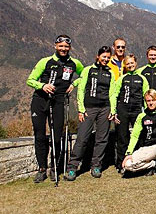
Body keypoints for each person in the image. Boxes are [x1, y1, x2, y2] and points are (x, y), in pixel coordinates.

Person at [27, 35, 84, 183]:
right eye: (61, 46)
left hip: (58, 102)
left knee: (57, 137)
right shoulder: (45, 62)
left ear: (70, 47)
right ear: (55, 46)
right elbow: (30, 80)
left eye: (66, 46)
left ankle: (55, 168)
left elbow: (84, 75)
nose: (63, 49)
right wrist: (42, 86)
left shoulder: (74, 63)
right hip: (40, 101)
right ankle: (41, 169)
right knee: (39, 135)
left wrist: (74, 83)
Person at [66, 46, 117, 181]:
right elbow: (81, 90)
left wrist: (113, 110)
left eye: (108, 57)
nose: (105, 59)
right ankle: (72, 167)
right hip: (89, 108)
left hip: (105, 109)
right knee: (82, 138)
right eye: (103, 56)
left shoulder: (110, 73)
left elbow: (112, 93)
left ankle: (96, 166)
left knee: (102, 139)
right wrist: (81, 109)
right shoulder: (88, 70)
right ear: (98, 56)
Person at [122, 89, 156, 182]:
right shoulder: (142, 116)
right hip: (148, 148)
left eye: (153, 100)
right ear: (145, 102)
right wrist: (129, 153)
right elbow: (135, 135)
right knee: (127, 165)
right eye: (148, 101)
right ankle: (153, 164)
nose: (151, 103)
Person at [112, 54, 149, 174]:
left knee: (140, 136)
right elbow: (115, 95)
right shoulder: (122, 78)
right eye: (128, 64)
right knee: (122, 137)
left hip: (137, 110)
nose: (130, 65)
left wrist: (146, 112)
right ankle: (121, 164)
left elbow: (146, 96)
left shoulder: (142, 78)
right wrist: (114, 111)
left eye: (132, 63)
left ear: (136, 63)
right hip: (123, 109)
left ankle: (139, 162)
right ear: (125, 66)